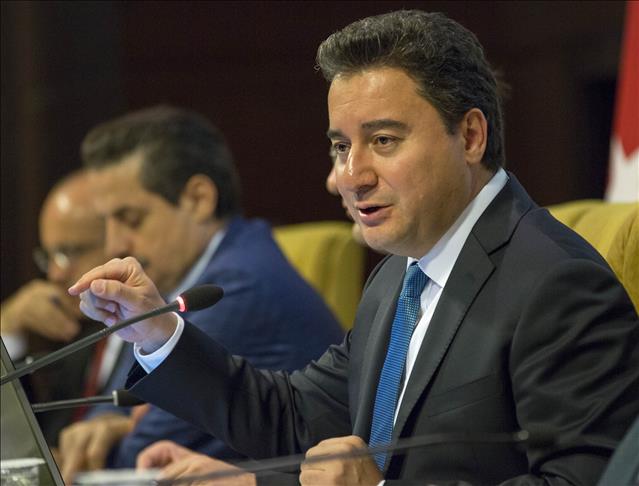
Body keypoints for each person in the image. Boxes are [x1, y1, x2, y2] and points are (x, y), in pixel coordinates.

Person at [70, 11, 639, 485]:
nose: (350, 176)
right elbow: (297, 418)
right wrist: (157, 332)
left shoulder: (557, 283)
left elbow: (583, 480)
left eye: (383, 141)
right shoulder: (399, 277)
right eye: (342, 147)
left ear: (470, 136)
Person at [57, 106, 344, 482]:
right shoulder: (180, 276)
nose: (114, 243)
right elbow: (115, 402)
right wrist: (111, 421)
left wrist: (119, 432)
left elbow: (134, 462)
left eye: (131, 219)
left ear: (198, 199)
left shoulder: (239, 288)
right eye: (106, 223)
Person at [0, 170, 128, 446]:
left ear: (119, 241)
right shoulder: (78, 338)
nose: (55, 274)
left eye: (70, 252)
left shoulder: (156, 328)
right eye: (50, 256)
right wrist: (8, 331)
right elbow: (26, 444)